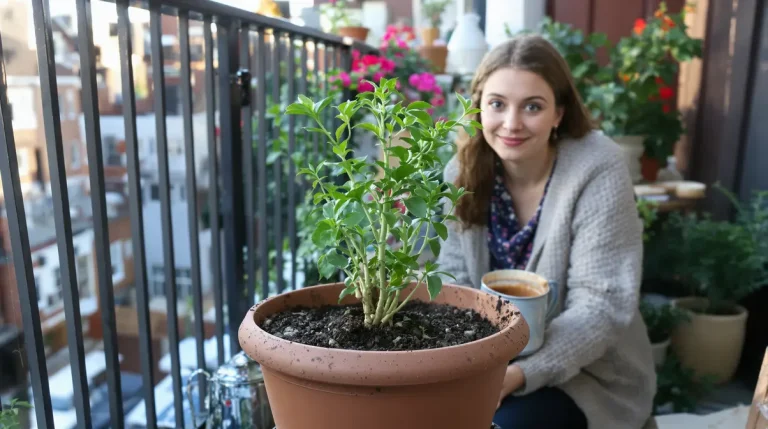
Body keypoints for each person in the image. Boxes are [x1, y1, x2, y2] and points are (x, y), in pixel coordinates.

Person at [436, 35, 657, 428]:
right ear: (478, 107)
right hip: (485, 365)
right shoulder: (461, 172)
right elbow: (453, 283)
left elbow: (601, 306)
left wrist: (517, 375)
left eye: (532, 106)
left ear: (559, 113)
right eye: (497, 104)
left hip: (588, 375)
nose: (511, 123)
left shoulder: (597, 168)